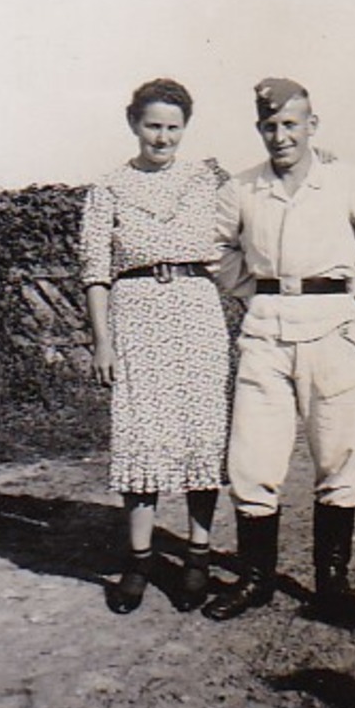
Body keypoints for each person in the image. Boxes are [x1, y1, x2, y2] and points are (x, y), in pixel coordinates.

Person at [202, 77, 355, 623]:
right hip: (267, 331)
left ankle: (331, 582)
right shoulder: (241, 189)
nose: (280, 136)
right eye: (270, 126)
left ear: (311, 126)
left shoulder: (344, 181)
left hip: (333, 330)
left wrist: (350, 286)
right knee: (252, 456)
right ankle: (256, 579)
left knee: (338, 454)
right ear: (259, 130)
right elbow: (216, 251)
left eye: (290, 124)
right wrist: (252, 291)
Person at [79, 78, 231, 614]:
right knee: (141, 434)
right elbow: (96, 271)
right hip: (136, 315)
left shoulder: (206, 181)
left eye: (173, 127)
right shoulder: (108, 188)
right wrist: (103, 342)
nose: (163, 138)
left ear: (185, 129)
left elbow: (236, 247)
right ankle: (139, 560)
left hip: (195, 313)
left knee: (200, 434)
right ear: (133, 124)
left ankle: (197, 557)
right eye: (153, 126)